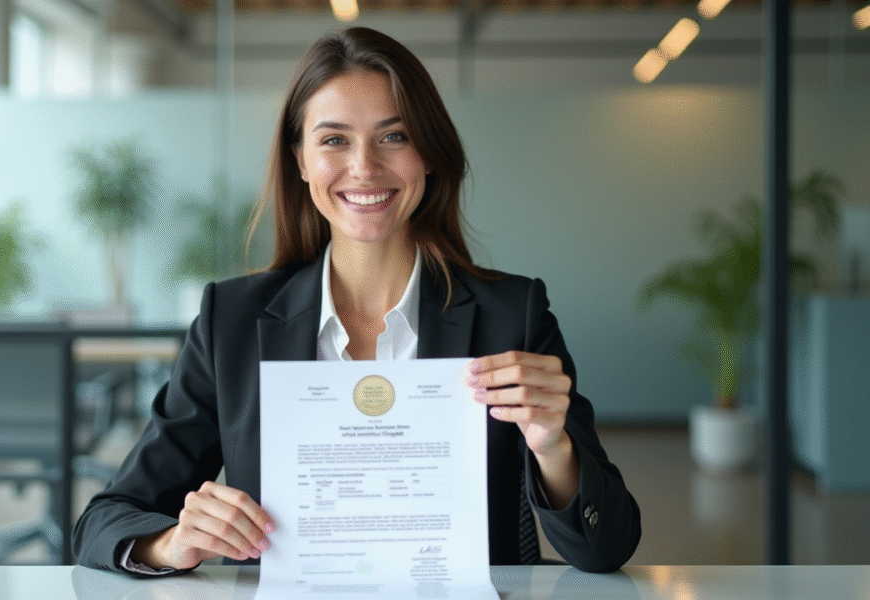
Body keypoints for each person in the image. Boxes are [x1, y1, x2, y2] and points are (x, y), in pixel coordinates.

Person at [72, 26, 641, 575]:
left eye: (394, 136)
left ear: (429, 153)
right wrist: (172, 543)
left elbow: (608, 546)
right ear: (300, 160)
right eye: (334, 140)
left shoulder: (511, 316)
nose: (364, 167)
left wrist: (553, 448)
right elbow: (105, 520)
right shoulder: (232, 323)